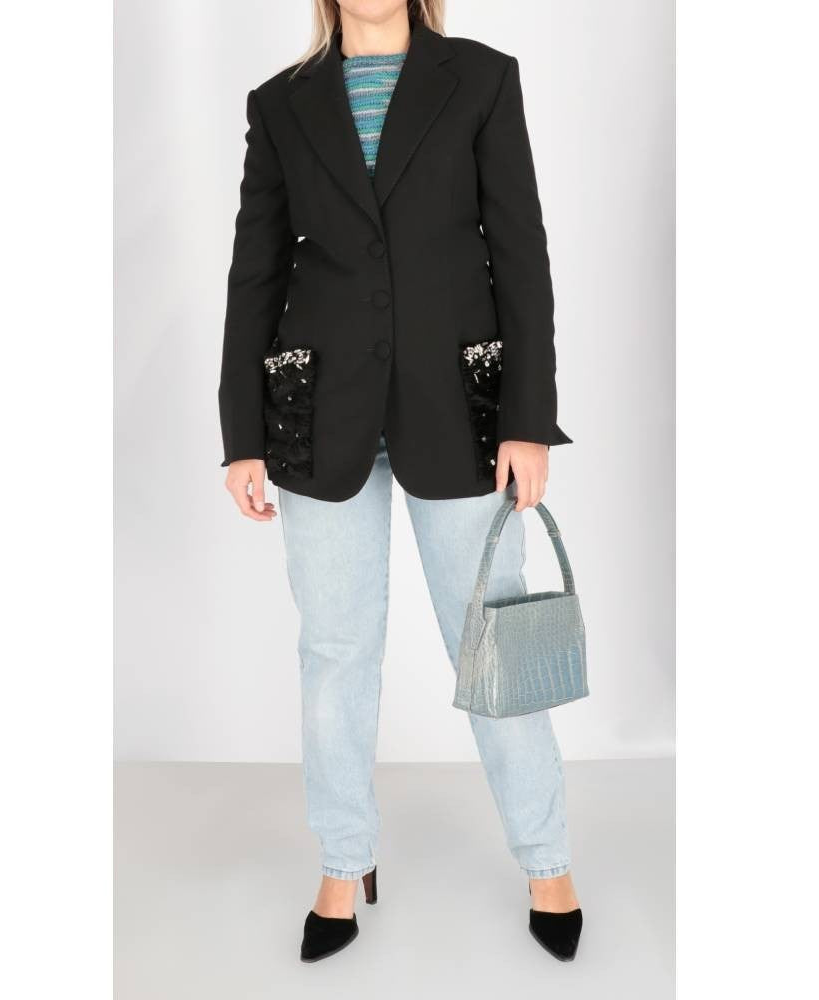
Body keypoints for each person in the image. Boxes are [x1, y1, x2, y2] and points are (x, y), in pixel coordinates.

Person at [219, 0, 582, 963]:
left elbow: (522, 253)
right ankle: (344, 860)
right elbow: (255, 273)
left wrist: (528, 419)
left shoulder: (482, 78)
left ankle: (547, 858)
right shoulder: (281, 102)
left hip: (459, 408)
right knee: (335, 653)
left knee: (492, 640)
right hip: (316, 413)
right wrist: (241, 435)